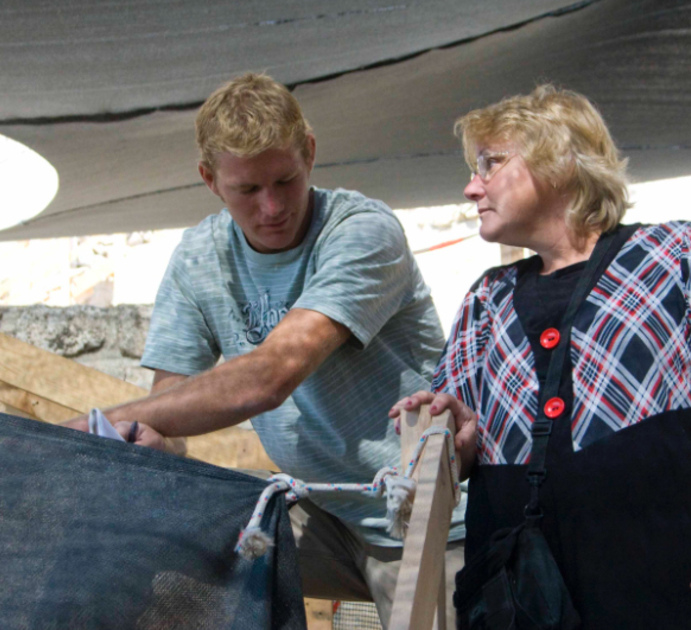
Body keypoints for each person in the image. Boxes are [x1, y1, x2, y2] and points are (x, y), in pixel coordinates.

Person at [64, 72, 465, 629]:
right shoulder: (199, 257)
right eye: (247, 190)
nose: (272, 206)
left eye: (286, 181)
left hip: (420, 518)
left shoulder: (363, 231)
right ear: (210, 180)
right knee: (154, 551)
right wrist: (151, 438)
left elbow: (270, 376)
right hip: (317, 513)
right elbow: (171, 405)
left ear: (311, 154)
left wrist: (94, 422)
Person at [389, 85, 691, 629]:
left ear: (557, 160)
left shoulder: (676, 254)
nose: (470, 187)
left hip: (676, 598)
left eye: (490, 163)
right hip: (529, 604)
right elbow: (464, 445)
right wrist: (451, 435)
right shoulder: (488, 298)